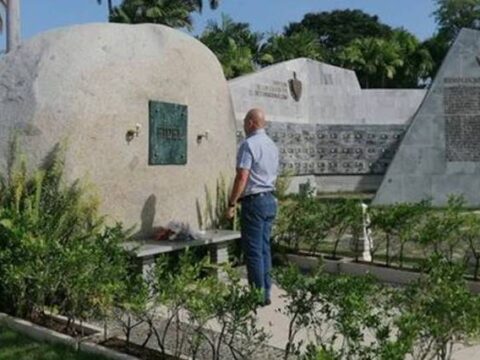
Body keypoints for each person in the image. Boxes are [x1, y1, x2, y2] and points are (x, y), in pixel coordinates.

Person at [226, 108, 279, 306]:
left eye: (244, 123)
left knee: (254, 250)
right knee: (265, 248)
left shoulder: (249, 145)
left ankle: (256, 295)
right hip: (270, 200)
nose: (243, 127)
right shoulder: (272, 145)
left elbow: (242, 176)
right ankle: (266, 291)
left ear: (250, 123)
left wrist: (232, 203)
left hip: (254, 202)